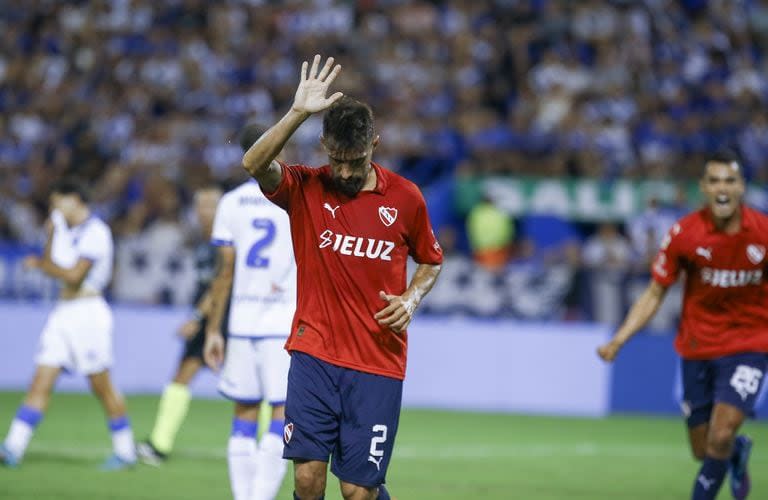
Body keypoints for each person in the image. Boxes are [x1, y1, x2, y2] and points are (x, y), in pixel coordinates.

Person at [240, 54, 443, 500]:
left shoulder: (406, 198)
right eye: (337, 160)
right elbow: (254, 164)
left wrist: (412, 296)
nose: (345, 172)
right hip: (314, 354)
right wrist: (297, 113)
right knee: (308, 479)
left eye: (354, 160)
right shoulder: (307, 188)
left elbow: (431, 260)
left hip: (376, 361)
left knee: (357, 491)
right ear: (324, 148)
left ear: (375, 144)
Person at [597, 152, 768, 500]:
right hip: (697, 348)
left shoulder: (764, 233)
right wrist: (619, 340)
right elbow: (655, 292)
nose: (723, 188)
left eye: (730, 181)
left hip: (749, 345)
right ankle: (736, 453)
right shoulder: (684, 234)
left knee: (720, 433)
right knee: (703, 449)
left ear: (742, 187)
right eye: (715, 181)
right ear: (704, 187)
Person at [0, 178, 136, 470]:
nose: (54, 207)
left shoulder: (96, 231)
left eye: (58, 201)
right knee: (40, 379)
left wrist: (42, 265)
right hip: (63, 311)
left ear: (75, 199)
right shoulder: (61, 228)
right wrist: (49, 238)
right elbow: (54, 267)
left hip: (89, 312)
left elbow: (73, 275)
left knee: (101, 385)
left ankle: (125, 451)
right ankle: (12, 447)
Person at [203, 123, 297, 500]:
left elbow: (224, 273)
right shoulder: (294, 196)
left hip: (241, 323)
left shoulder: (231, 202)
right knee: (281, 413)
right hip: (283, 323)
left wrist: (214, 329)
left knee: (243, 413)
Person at [136, 183, 224, 465]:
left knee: (253, 387)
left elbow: (221, 286)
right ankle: (159, 445)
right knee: (182, 375)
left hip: (226, 319)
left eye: (210, 205)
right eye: (200, 205)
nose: (204, 211)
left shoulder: (226, 242)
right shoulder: (202, 243)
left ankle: (268, 449)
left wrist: (197, 318)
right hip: (210, 317)